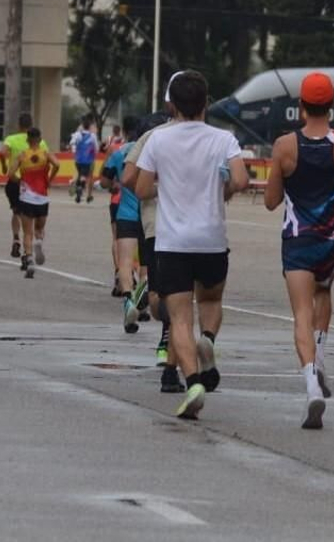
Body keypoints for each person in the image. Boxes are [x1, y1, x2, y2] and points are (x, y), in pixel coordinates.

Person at [133, 70, 248, 420]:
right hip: (212, 239)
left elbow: (139, 189)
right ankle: (209, 339)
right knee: (210, 299)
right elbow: (241, 180)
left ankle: (194, 381)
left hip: (172, 242)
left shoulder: (157, 140)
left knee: (180, 318)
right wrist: (222, 187)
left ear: (172, 104)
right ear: (206, 103)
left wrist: (166, 188)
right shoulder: (224, 139)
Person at [264, 72, 334, 429]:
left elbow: (271, 201)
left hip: (298, 239)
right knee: (323, 292)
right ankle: (322, 356)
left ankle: (311, 384)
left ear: (300, 107)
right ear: (332, 106)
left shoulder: (284, 146)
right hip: (333, 239)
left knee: (300, 313)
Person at [124, 110, 177, 387]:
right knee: (171, 298)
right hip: (173, 227)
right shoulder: (152, 137)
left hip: (160, 227)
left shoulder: (150, 137)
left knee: (178, 294)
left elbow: (127, 179)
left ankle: (172, 348)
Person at [102, 118, 152, 333]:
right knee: (145, 266)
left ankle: (128, 302)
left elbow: (104, 180)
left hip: (125, 214)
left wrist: (113, 188)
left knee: (124, 262)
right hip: (149, 215)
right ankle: (142, 301)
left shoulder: (119, 152)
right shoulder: (154, 153)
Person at [8, 127, 61, 278]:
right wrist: (49, 180)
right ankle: (39, 241)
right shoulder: (45, 154)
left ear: (27, 140)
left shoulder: (22, 156)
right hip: (42, 197)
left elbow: (10, 174)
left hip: (26, 197)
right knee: (39, 229)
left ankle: (30, 259)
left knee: (27, 232)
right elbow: (57, 165)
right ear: (40, 139)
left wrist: (20, 181)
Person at [0, 113, 48, 259]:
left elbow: (2, 153)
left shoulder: (11, 139)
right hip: (35, 186)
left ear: (19, 125)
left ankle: (16, 239)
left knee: (16, 213)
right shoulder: (41, 142)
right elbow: (47, 159)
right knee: (34, 221)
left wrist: (4, 166)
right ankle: (36, 242)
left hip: (16, 183)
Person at [71, 119, 99, 204]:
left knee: (80, 174)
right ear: (90, 126)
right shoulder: (92, 135)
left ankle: (78, 188)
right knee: (87, 176)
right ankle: (83, 189)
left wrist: (74, 151)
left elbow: (72, 143)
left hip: (78, 159)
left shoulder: (77, 134)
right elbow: (96, 147)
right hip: (88, 159)